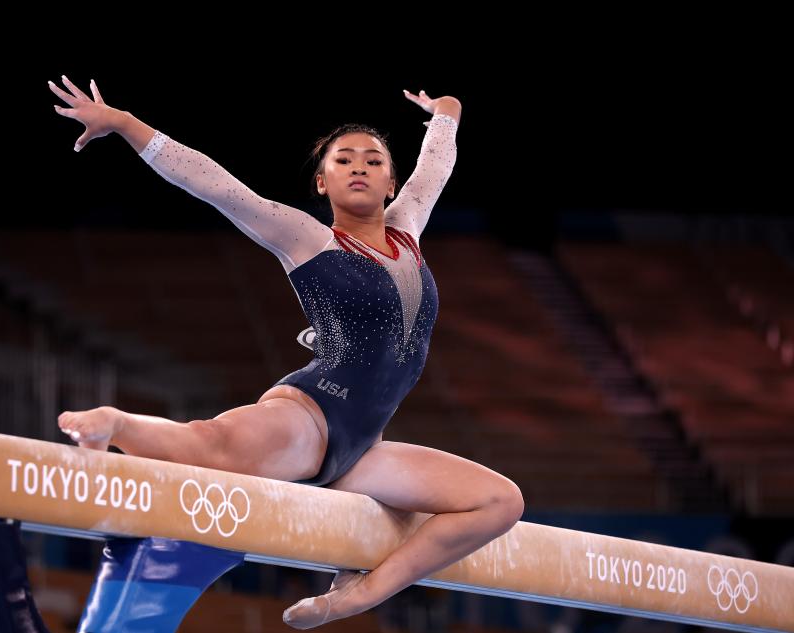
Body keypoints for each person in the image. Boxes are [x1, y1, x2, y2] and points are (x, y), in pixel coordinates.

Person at [49, 75, 524, 629]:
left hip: (361, 447)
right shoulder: (306, 239)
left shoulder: (408, 229)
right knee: (215, 447)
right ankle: (116, 424)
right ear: (322, 183)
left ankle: (358, 595)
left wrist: (449, 111)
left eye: (373, 160)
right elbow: (219, 187)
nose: (359, 167)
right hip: (313, 416)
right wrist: (124, 123)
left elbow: (437, 165)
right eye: (343, 160)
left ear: (393, 182)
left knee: (500, 502)